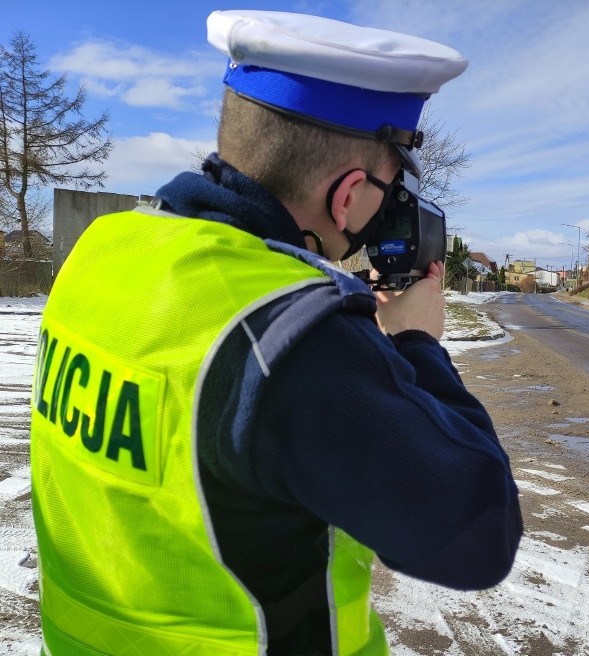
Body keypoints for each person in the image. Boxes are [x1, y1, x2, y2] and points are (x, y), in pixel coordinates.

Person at [30, 10, 522, 655]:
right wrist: (418, 345)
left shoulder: (102, 253)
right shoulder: (289, 337)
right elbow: (477, 538)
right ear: (348, 194)